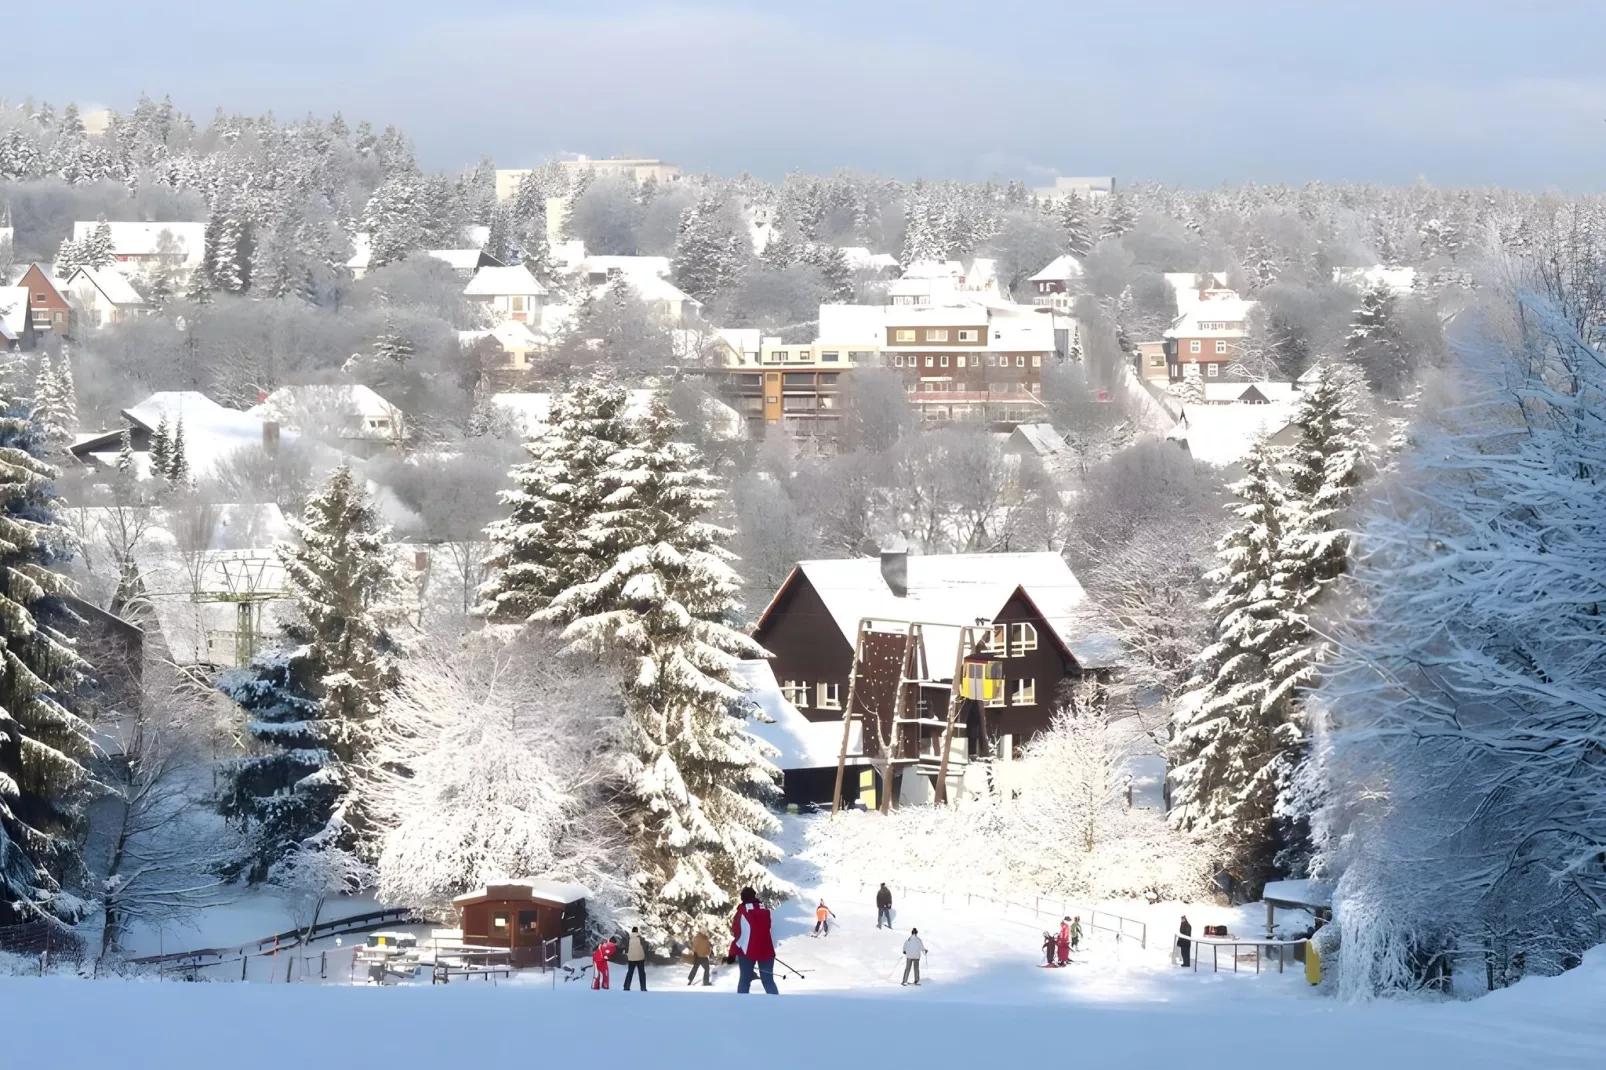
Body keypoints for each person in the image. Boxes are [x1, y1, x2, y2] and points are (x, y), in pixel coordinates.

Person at [731, 886, 778, 994]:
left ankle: (742, 1005)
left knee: (744, 981)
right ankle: (776, 1005)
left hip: (747, 950)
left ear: (742, 898)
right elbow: (767, 927)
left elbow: (735, 930)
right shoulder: (764, 910)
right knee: (768, 982)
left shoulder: (742, 911)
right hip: (766, 949)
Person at [623, 926, 648, 991]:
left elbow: (626, 948)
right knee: (641, 973)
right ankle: (643, 988)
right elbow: (645, 946)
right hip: (640, 958)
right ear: (637, 931)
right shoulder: (640, 938)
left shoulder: (628, 938)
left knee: (630, 972)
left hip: (631, 958)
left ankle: (626, 987)